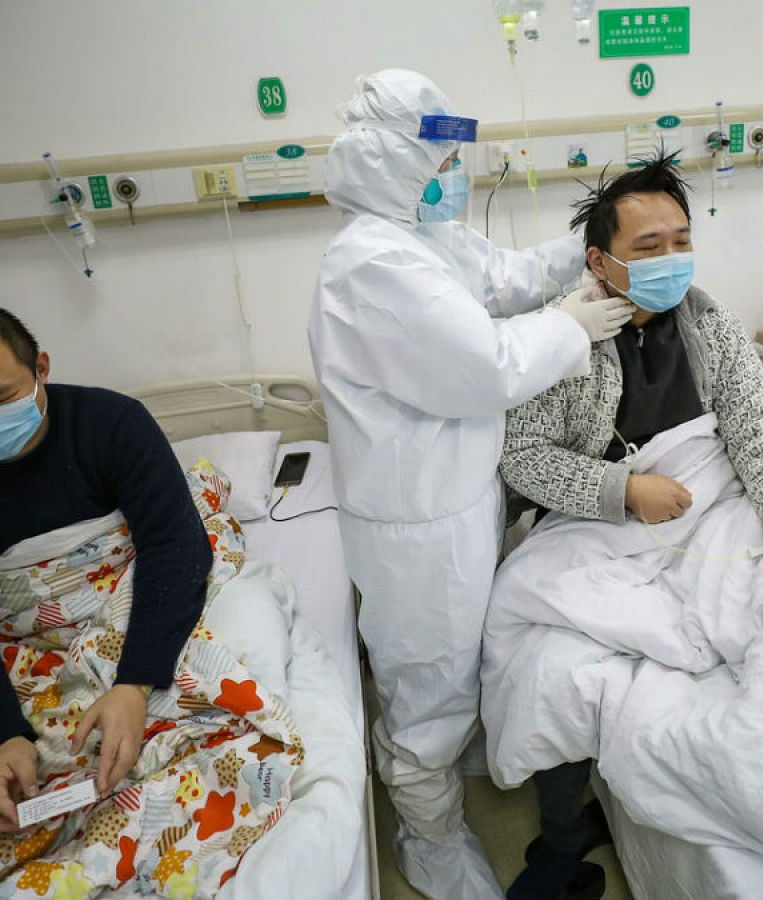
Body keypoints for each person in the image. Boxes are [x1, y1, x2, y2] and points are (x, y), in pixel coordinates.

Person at [307, 69, 634, 899]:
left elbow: (505, 278)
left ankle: (463, 751)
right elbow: (483, 368)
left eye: (457, 155)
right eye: (441, 157)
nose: (457, 172)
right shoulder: (370, 263)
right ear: (388, 161)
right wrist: (571, 324)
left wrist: (594, 239)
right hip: (411, 520)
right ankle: (431, 838)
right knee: (426, 685)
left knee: (466, 653)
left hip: (457, 495)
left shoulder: (424, 235)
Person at [497, 154, 763, 900]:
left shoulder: (708, 323)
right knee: (554, 660)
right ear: (601, 260)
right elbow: (521, 457)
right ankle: (561, 839)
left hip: (716, 497)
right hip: (598, 519)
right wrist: (622, 488)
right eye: (649, 248)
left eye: (681, 240)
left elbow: (762, 431)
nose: (671, 259)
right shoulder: (560, 338)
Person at [0, 300, 211, 833]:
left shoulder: (112, 423)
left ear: (41, 368)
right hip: (14, 637)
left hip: (132, 606)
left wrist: (135, 683)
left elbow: (176, 547)